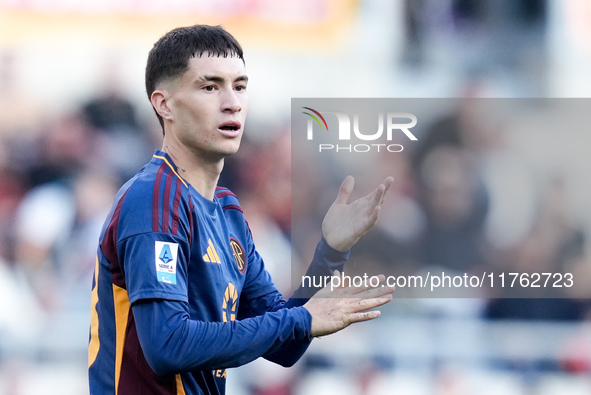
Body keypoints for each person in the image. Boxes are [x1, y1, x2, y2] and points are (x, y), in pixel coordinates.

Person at [88, 24, 394, 395]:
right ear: (164, 104)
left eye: (240, 86)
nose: (232, 101)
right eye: (210, 86)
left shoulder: (227, 211)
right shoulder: (153, 197)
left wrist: (330, 253)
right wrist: (301, 318)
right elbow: (166, 346)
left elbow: (286, 344)